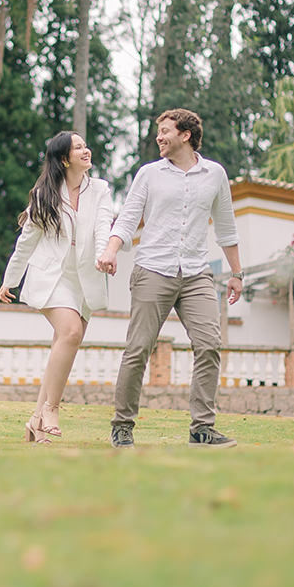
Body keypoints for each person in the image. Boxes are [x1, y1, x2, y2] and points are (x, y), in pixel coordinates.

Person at [96, 109, 244, 448]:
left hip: (196, 274)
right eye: (158, 132)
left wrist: (236, 274)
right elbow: (128, 217)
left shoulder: (215, 174)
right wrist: (111, 250)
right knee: (137, 350)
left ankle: (202, 428)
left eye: (165, 131)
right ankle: (122, 426)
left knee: (209, 345)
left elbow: (226, 227)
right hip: (153, 270)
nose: (159, 137)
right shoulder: (149, 174)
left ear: (186, 135)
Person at [0, 131, 113, 443]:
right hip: (51, 276)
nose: (86, 151)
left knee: (61, 348)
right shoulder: (45, 194)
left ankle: (36, 423)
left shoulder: (101, 190)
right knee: (71, 333)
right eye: (78, 148)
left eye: (85, 145)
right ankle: (51, 408)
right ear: (65, 159)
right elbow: (27, 242)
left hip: (84, 278)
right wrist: (10, 279)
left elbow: (104, 225)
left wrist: (105, 254)